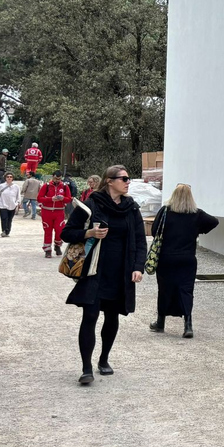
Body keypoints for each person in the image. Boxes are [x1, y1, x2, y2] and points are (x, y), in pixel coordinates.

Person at [61, 165, 147, 385]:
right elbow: (67, 232)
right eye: (124, 178)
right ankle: (86, 367)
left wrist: (138, 267)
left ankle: (104, 359)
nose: (128, 182)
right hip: (94, 270)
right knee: (89, 317)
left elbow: (140, 241)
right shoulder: (91, 204)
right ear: (110, 181)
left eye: (129, 179)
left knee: (112, 317)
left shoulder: (131, 208)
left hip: (120, 272)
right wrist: (89, 232)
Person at [149, 184, 219, 338]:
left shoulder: (165, 211)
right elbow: (214, 222)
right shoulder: (196, 214)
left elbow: (154, 231)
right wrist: (198, 230)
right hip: (187, 259)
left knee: (164, 289)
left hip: (166, 258)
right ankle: (188, 325)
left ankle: (160, 322)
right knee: (186, 290)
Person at [38, 170, 72, 258]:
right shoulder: (46, 186)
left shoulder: (64, 186)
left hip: (59, 211)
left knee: (59, 230)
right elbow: (39, 198)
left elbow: (69, 199)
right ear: (52, 177)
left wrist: (62, 198)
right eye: (56, 178)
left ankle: (57, 245)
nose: (58, 180)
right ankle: (47, 250)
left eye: (59, 179)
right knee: (48, 231)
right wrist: (50, 199)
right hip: (47, 211)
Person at [0, 173, 20, 237]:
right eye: (8, 177)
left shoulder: (16, 187)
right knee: (4, 218)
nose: (9, 178)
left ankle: (8, 231)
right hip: (3, 205)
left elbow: (18, 196)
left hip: (12, 205)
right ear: (5, 178)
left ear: (12, 178)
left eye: (11, 177)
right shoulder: (1, 186)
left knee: (9, 219)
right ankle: (4, 230)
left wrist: (18, 203)